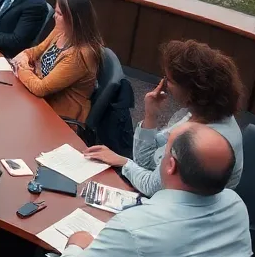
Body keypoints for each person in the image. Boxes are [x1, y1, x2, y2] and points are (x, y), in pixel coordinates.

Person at [8, 123, 252, 257]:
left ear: (170, 165)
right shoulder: (236, 205)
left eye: (165, 150)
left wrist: (76, 245)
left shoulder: (137, 226)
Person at [84, 40, 244, 197]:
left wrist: (123, 162)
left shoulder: (204, 140)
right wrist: (151, 115)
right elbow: (144, 161)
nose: (164, 84)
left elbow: (153, 188)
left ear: (192, 90)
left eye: (170, 80)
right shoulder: (197, 113)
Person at [11, 0, 102, 123]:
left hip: (57, 115)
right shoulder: (61, 31)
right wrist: (25, 59)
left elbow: (40, 88)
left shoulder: (80, 55)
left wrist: (21, 67)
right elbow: (34, 52)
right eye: (56, 11)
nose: (54, 16)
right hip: (39, 99)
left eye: (59, 14)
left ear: (73, 19)